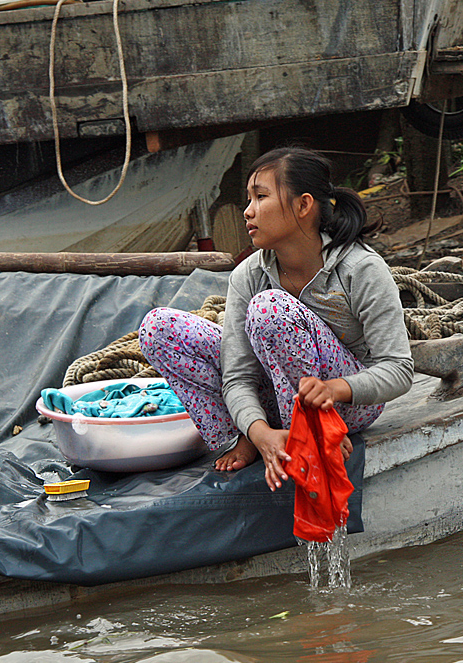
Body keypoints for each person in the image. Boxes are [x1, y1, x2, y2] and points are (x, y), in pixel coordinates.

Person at [139, 146, 413, 491]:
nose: (247, 211)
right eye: (248, 199)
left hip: (345, 404)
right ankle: (253, 439)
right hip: (275, 400)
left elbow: (398, 369)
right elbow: (237, 375)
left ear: (303, 205)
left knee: (270, 308)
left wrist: (334, 389)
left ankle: (312, 429)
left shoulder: (361, 269)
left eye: (260, 197)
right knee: (158, 328)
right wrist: (258, 431)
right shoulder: (247, 275)